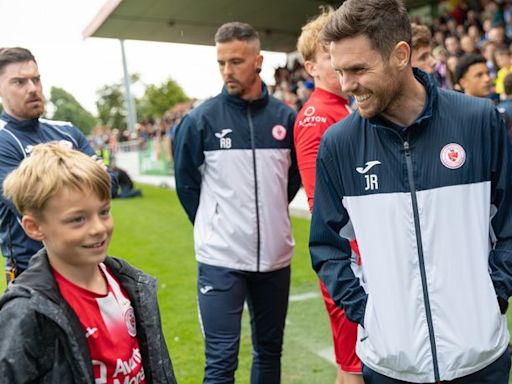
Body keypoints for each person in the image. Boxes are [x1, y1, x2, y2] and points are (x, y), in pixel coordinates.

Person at [310, 0, 512, 383]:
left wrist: (493, 295)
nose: (346, 85)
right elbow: (326, 248)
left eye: (358, 69)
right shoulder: (339, 144)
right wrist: (369, 314)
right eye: (339, 71)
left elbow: (510, 225)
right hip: (390, 365)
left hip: (481, 360)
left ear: (400, 55)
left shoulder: (479, 121)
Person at [173, 22, 301, 384]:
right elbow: (186, 184)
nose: (228, 71)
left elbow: (291, 180)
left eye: (236, 61)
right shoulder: (201, 119)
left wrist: (272, 214)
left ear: (258, 61)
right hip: (220, 259)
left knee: (269, 353)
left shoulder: (285, 119)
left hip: (275, 258)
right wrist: (213, 224)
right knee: (220, 363)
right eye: (221, 63)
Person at [0, 142, 176, 383]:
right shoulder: (27, 312)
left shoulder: (128, 283)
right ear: (34, 227)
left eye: (104, 212)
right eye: (78, 220)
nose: (98, 228)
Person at [0, 47, 117, 281]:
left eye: (36, 79)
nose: (32, 88)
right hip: (32, 272)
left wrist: (50, 182)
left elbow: (109, 185)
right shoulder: (3, 139)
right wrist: (81, 177)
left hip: (87, 263)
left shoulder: (67, 130)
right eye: (19, 82)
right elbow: (25, 204)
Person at [294, 7, 362, 384]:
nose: (336, 63)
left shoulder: (342, 107)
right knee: (354, 365)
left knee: (362, 359)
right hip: (347, 257)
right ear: (310, 67)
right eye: (327, 55)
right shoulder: (317, 116)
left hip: (360, 254)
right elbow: (321, 201)